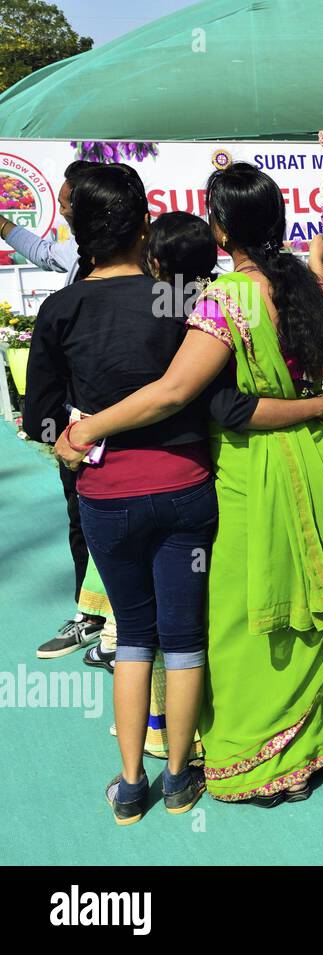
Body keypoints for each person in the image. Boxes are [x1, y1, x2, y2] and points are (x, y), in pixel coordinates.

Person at [57, 162, 323, 807]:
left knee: (239, 611)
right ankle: (319, 732)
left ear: (219, 228)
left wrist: (90, 430)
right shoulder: (301, 287)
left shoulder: (225, 299)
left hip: (255, 470)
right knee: (299, 598)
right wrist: (317, 404)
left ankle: (252, 748)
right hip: (314, 461)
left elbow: (176, 392)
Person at [8, 159, 108, 662]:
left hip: (124, 428)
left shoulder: (151, 279)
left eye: (67, 205)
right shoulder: (75, 260)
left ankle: (127, 627)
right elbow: (44, 251)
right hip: (79, 428)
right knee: (81, 515)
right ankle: (90, 613)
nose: (62, 212)